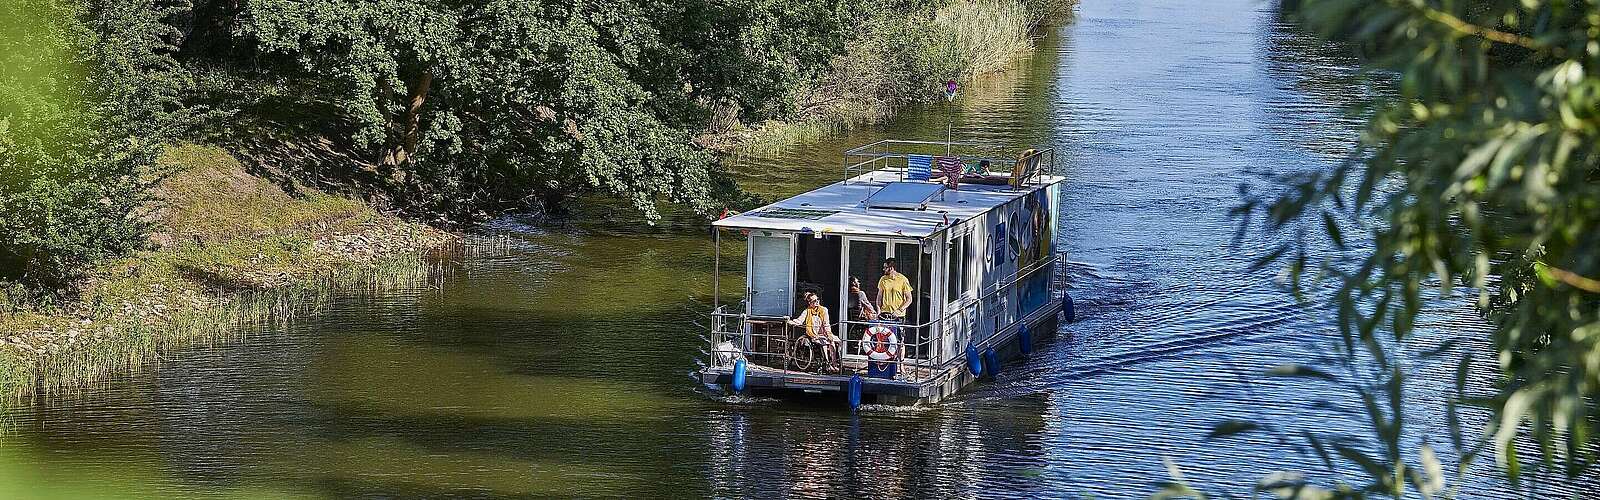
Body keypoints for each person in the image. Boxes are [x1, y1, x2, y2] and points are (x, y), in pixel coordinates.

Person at [787, 291, 839, 371]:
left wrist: (828, 333)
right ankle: (828, 363)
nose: (817, 301)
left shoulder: (824, 310)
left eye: (817, 299)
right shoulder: (807, 311)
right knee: (824, 343)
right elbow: (799, 321)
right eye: (814, 301)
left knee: (834, 341)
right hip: (814, 335)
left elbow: (826, 323)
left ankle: (834, 363)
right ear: (810, 303)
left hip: (824, 333)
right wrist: (790, 321)